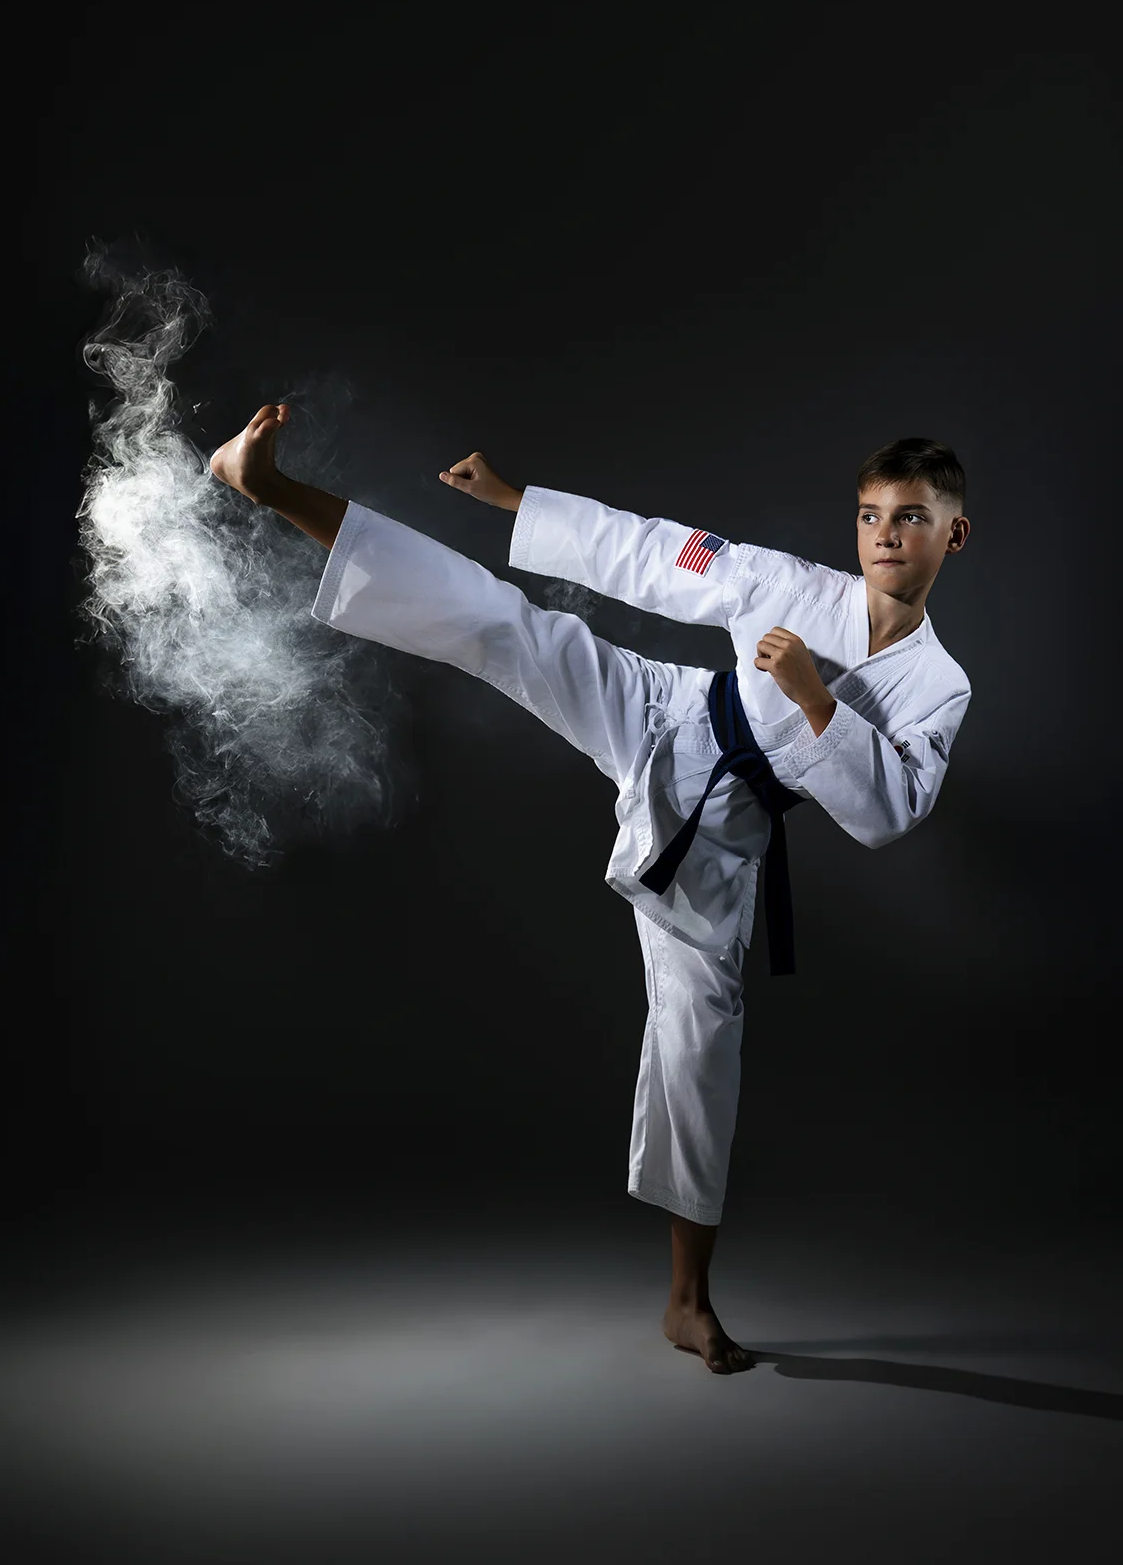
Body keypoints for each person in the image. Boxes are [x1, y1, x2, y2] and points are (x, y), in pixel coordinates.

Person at [210, 404, 971, 1374]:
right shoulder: (794, 586)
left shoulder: (940, 686)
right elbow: (660, 557)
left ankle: (687, 1302)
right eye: (870, 516)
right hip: (659, 709)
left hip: (723, 840)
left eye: (909, 518)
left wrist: (817, 700)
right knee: (497, 621)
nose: (884, 537)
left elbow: (889, 812)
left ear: (954, 532)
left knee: (699, 1044)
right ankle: (264, 482)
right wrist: (523, 504)